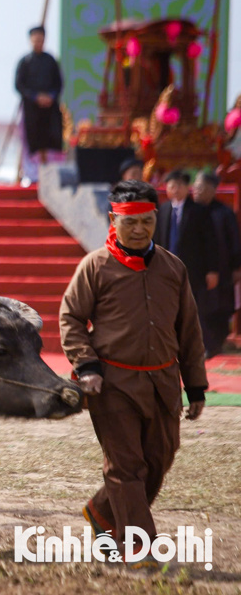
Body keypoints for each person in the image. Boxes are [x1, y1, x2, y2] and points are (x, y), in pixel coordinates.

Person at [60, 179, 207, 571]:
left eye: (146, 221)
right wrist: (86, 366)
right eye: (130, 222)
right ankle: (139, 550)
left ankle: (102, 513)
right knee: (126, 468)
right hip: (112, 385)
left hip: (163, 383)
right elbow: (71, 318)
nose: (139, 230)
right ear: (113, 220)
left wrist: (196, 387)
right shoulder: (95, 266)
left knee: (159, 460)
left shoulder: (174, 268)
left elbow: (188, 330)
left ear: (155, 218)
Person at [192, 172, 241, 357]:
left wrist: (237, 267)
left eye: (201, 187)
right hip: (198, 270)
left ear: (212, 190)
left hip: (222, 269)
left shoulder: (224, 212)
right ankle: (207, 345)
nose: (196, 191)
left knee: (221, 306)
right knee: (199, 307)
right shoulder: (192, 211)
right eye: (195, 187)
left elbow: (234, 240)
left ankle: (217, 343)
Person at [154, 170, 219, 306]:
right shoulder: (163, 210)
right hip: (167, 266)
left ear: (187, 187)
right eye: (172, 186)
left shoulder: (198, 210)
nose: (176, 190)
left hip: (192, 268)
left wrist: (212, 269)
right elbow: (158, 238)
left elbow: (210, 242)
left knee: (190, 305)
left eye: (179, 186)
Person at [15, 25, 63, 184]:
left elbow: (59, 83)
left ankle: (50, 175)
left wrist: (50, 96)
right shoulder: (25, 62)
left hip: (49, 110)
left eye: (40, 39)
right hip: (31, 110)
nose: (38, 42)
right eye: (35, 39)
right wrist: (36, 97)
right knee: (32, 142)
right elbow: (19, 85)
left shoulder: (50, 60)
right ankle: (32, 175)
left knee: (50, 141)